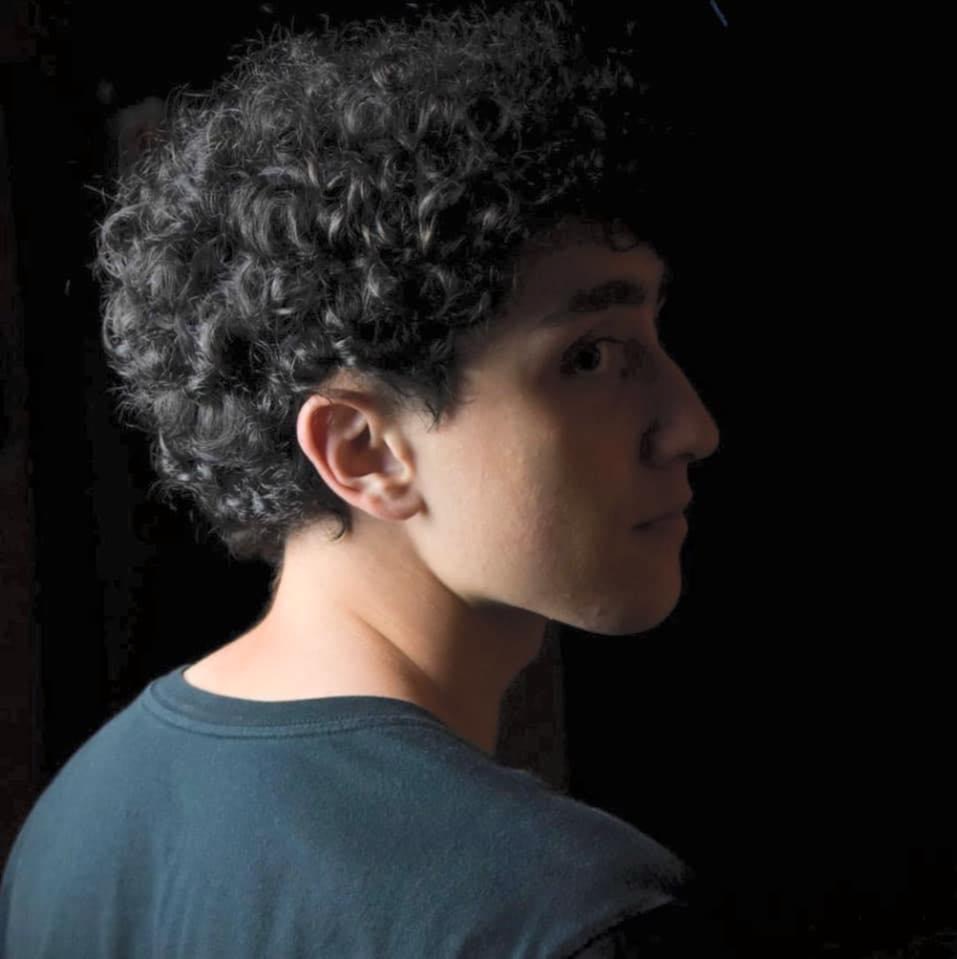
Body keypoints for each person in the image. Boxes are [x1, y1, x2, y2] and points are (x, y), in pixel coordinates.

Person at [1, 2, 723, 955]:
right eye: (590, 356)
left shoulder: (70, 827)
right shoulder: (570, 917)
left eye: (651, 336)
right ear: (363, 451)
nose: (692, 426)